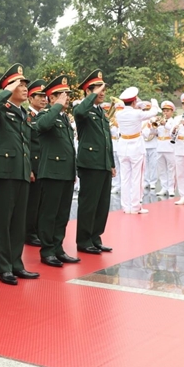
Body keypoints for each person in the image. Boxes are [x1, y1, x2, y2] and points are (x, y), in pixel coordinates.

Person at [0, 64, 41, 284]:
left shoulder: (24, 113)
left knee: (19, 223)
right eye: (21, 84)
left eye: (26, 84)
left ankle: (17, 264)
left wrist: (28, 168)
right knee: (3, 223)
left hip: (21, 173)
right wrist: (7, 90)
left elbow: (25, 142)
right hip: (4, 173)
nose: (25, 88)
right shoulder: (0, 110)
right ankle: (4, 268)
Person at [34, 76, 80, 266]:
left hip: (66, 173)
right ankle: (47, 251)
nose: (66, 98)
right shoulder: (45, 115)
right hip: (51, 172)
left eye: (67, 95)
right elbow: (43, 126)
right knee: (49, 213)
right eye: (61, 95)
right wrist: (55, 106)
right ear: (51, 98)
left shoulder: (63, 118)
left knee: (62, 214)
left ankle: (58, 247)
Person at [72, 70, 114, 255]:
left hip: (103, 163)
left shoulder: (100, 112)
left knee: (102, 203)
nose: (102, 93)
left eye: (103, 89)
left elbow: (107, 140)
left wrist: (111, 163)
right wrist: (92, 96)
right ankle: (84, 240)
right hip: (90, 163)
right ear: (88, 92)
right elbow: (79, 112)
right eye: (98, 89)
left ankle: (96, 237)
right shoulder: (83, 108)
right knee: (89, 203)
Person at [115, 88, 159, 214]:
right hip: (136, 147)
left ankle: (126, 206)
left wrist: (137, 105)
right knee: (137, 178)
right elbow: (154, 112)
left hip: (123, 147)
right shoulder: (137, 114)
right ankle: (135, 207)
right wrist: (154, 102)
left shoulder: (119, 114)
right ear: (134, 101)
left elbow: (132, 110)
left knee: (125, 178)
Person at [25, 79, 47, 246]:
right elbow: (26, 143)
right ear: (30, 98)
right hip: (33, 164)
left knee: (41, 201)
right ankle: (29, 232)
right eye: (39, 96)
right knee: (32, 202)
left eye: (44, 96)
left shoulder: (45, 117)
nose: (43, 99)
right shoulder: (27, 116)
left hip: (44, 165)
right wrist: (30, 168)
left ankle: (39, 230)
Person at [155, 101, 177, 197]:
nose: (165, 113)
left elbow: (173, 131)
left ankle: (171, 188)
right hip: (160, 147)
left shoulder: (174, 121)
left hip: (170, 147)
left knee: (171, 169)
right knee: (162, 169)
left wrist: (164, 124)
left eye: (167, 111)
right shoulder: (160, 121)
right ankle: (164, 187)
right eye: (164, 111)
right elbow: (154, 132)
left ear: (172, 112)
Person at [139, 101, 159, 191]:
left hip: (153, 144)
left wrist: (152, 127)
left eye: (147, 109)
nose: (145, 111)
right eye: (144, 109)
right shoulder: (140, 120)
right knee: (145, 165)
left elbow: (157, 132)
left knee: (153, 164)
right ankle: (146, 181)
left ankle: (153, 182)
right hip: (143, 144)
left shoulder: (153, 119)